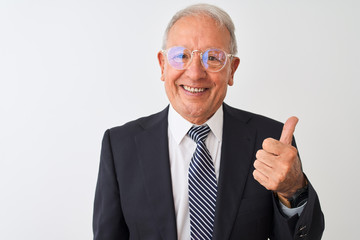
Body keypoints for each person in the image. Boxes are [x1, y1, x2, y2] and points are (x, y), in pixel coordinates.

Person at [93, 3, 324, 240]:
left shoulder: (271, 141)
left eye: (212, 58)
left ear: (232, 70)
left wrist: (294, 190)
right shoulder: (120, 145)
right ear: (163, 65)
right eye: (181, 56)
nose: (195, 73)